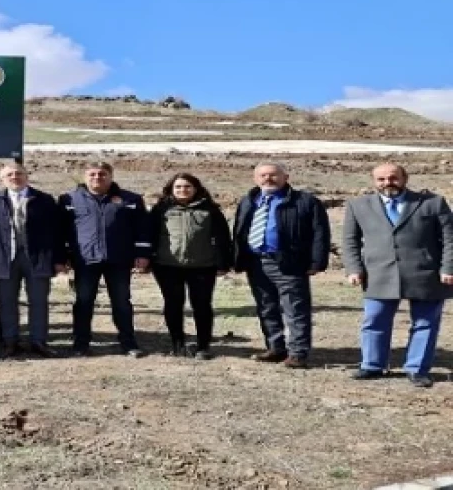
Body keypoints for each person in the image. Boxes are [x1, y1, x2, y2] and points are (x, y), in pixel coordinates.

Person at [342, 163, 453, 388]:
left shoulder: (432, 203)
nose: (387, 183)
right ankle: (372, 365)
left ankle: (417, 369)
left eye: (393, 178)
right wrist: (354, 269)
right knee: (374, 321)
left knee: (425, 323)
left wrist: (448, 268)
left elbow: (450, 239)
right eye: (381, 179)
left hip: (426, 274)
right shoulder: (358, 205)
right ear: (374, 181)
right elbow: (350, 241)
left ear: (405, 178)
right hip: (378, 274)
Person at [233, 162, 330, 369]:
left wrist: (317, 262)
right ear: (255, 178)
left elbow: (320, 233)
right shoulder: (249, 200)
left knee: (295, 309)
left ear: (285, 177)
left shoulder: (305, 201)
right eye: (263, 175)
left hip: (289, 263)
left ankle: (298, 353)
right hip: (256, 262)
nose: (268, 179)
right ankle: (276, 347)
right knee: (266, 307)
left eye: (273, 175)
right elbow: (240, 230)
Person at [57, 162, 152, 358]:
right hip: (85, 260)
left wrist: (142, 254)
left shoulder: (130, 199)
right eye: (92, 174)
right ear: (85, 176)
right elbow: (62, 232)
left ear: (110, 176)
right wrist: (63, 257)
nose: (97, 177)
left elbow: (143, 228)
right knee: (83, 302)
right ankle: (81, 344)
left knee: (122, 302)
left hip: (119, 259)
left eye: (102, 174)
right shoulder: (69, 199)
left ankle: (129, 343)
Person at [0, 166, 63, 357]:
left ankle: (38, 341)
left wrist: (58, 259)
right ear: (2, 179)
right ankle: (10, 341)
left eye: (18, 174)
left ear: (27, 176)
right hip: (4, 260)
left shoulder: (44, 200)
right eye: (9, 175)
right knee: (6, 301)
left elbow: (57, 232)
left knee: (39, 301)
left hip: (37, 258)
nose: (14, 177)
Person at [148, 173, 234, 360]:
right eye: (178, 187)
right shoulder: (161, 210)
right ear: (171, 189)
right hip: (167, 265)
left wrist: (223, 263)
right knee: (173, 305)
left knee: (202, 306)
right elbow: (151, 236)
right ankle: (177, 344)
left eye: (187, 186)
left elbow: (222, 238)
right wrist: (148, 259)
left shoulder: (210, 210)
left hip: (202, 266)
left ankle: (203, 346)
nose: (182, 190)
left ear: (196, 188)